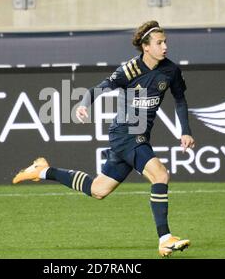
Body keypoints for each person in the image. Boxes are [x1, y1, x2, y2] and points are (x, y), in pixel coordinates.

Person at [12, 20, 195, 257]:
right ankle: (165, 238)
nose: (165, 47)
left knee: (98, 189)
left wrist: (186, 130)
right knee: (160, 174)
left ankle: (43, 171)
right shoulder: (129, 70)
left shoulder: (171, 71)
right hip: (126, 134)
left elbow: (180, 100)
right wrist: (83, 104)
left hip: (134, 137)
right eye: (159, 43)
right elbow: (101, 87)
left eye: (165, 42)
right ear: (145, 47)